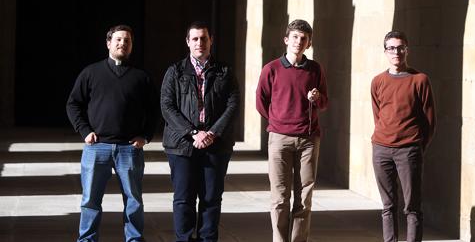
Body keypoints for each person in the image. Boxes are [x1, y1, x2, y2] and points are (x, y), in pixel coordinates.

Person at [66, 24, 159, 242]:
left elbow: (154, 110)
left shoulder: (141, 77)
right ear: (108, 43)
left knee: (133, 200)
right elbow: (73, 104)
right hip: (96, 147)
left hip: (129, 149)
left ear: (131, 46)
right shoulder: (91, 72)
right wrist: (84, 131)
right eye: (118, 40)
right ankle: (87, 239)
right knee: (90, 200)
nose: (122, 44)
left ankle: (134, 239)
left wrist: (145, 136)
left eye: (127, 41)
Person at [161, 21, 239, 242]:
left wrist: (212, 133)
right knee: (184, 198)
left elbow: (233, 105)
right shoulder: (174, 72)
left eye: (203, 38)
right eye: (194, 39)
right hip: (182, 145)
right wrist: (194, 133)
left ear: (210, 40)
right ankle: (183, 239)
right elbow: (167, 106)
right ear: (187, 42)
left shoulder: (225, 71)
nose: (199, 43)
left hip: (216, 145)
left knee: (211, 198)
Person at [256, 19, 328, 242]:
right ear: (286, 40)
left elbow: (325, 103)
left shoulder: (315, 69)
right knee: (279, 197)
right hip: (279, 138)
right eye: (295, 37)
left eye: (304, 38)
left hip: (308, 139)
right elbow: (261, 101)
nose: (299, 41)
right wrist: (279, 122)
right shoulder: (272, 69)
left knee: (304, 197)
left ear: (309, 43)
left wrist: (316, 99)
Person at [370, 30, 436, 242]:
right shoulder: (378, 81)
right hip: (381, 149)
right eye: (391, 48)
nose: (396, 52)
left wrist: (416, 146)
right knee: (388, 206)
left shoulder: (419, 80)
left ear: (407, 50)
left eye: (400, 47)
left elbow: (429, 120)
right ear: (385, 51)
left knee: (412, 207)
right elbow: (378, 114)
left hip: (409, 149)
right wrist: (384, 138)